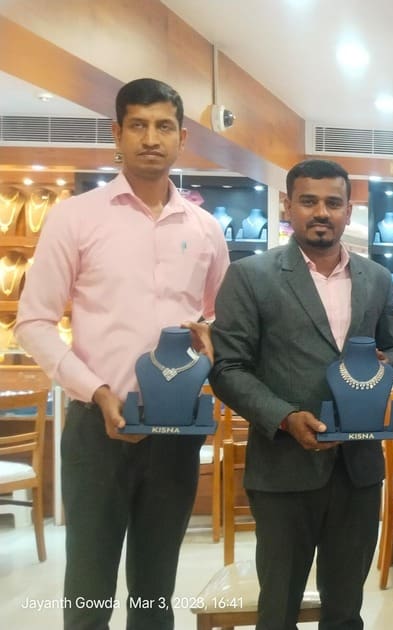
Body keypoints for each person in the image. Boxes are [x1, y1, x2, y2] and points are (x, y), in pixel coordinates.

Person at [15, 77, 229, 628]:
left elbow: (219, 317)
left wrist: (210, 336)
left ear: (182, 137)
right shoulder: (76, 217)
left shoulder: (206, 229)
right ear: (117, 133)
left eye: (163, 127)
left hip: (175, 430)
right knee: (89, 588)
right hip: (97, 425)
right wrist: (97, 390)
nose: (151, 138)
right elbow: (33, 321)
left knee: (155, 592)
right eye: (138, 125)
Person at [209, 159, 393, 628]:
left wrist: (390, 366)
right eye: (309, 201)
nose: (322, 212)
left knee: (346, 611)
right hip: (283, 467)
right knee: (278, 609)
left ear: (348, 210)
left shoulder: (377, 278)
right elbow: (227, 368)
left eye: (333, 203)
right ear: (288, 205)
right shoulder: (251, 276)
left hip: (358, 469)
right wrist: (284, 416)